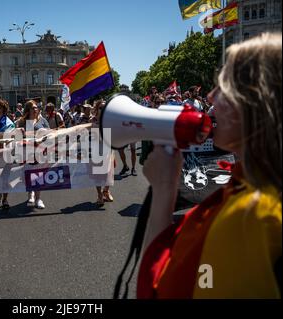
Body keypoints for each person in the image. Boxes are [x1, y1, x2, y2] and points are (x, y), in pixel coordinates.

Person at [137, 33, 282, 299]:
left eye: (224, 88)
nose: (212, 97)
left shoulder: (252, 214)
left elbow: (160, 291)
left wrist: (164, 190)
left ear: (256, 104)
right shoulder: (251, 189)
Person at [16, 100, 49, 209]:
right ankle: (30, 193)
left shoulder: (42, 121)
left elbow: (50, 134)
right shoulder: (22, 122)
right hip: (27, 152)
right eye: (33, 108)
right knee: (28, 175)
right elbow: (16, 136)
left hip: (40, 151)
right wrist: (18, 130)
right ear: (28, 110)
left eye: (36, 107)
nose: (35, 109)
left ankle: (38, 199)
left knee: (39, 175)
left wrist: (43, 140)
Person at [92, 100, 115, 205]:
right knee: (98, 174)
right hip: (96, 150)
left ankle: (106, 191)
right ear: (97, 109)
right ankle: (99, 195)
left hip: (108, 149)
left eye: (105, 107)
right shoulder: (92, 121)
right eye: (101, 108)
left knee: (109, 172)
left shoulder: (110, 120)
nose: (103, 109)